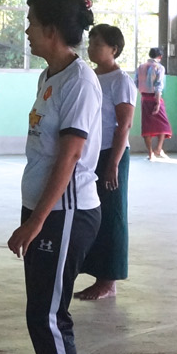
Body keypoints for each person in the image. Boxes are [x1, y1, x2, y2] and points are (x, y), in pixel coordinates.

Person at [5, 0, 102, 354]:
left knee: (48, 315)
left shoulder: (80, 80)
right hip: (45, 211)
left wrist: (36, 220)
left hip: (66, 214)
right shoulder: (50, 75)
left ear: (51, 29)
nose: (26, 30)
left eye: (31, 22)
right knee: (38, 313)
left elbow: (70, 156)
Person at [78, 23, 137, 301]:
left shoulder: (120, 81)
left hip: (111, 154)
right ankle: (95, 272)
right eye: (90, 42)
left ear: (113, 49)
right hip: (90, 153)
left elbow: (124, 125)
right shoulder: (89, 75)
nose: (91, 48)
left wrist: (113, 163)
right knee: (92, 212)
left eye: (98, 44)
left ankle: (108, 280)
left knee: (112, 215)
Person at [135, 47, 172, 160]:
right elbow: (158, 86)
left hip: (144, 99)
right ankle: (158, 149)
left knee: (147, 126)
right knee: (164, 124)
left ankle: (150, 153)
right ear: (160, 57)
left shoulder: (140, 67)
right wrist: (158, 103)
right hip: (155, 98)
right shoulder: (159, 67)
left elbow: (136, 83)